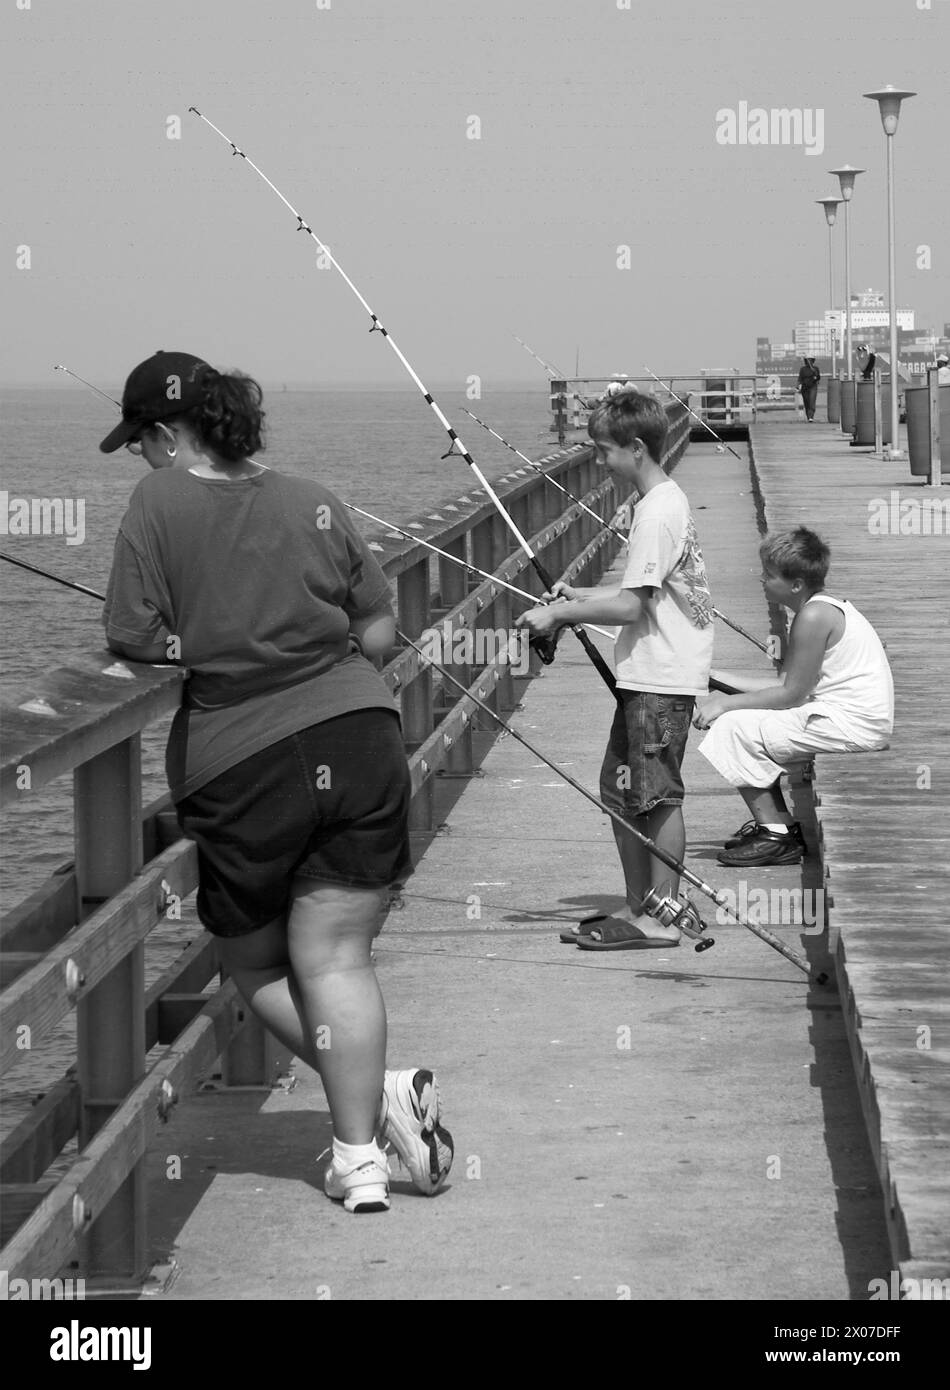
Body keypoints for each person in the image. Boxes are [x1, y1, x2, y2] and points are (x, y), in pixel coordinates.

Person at [100, 350, 453, 1214]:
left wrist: (201, 637)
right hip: (362, 739)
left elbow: (132, 634)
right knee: (337, 958)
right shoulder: (315, 498)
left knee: (255, 966)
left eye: (142, 443)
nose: (144, 461)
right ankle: (361, 1152)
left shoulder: (158, 499)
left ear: (164, 435)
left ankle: (375, 1120)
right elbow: (379, 628)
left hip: (243, 762)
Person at [516, 391, 714, 949]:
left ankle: (662, 920)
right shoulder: (663, 501)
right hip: (649, 674)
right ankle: (638, 906)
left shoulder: (656, 513)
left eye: (603, 451)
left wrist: (557, 613)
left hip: (662, 679)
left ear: (635, 447)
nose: (599, 461)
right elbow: (641, 592)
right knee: (620, 789)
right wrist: (582, 594)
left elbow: (632, 608)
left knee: (655, 796)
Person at [693, 527, 893, 868]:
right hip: (846, 716)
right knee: (742, 723)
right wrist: (711, 676)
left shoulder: (813, 617)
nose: (761, 580)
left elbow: (790, 695)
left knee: (732, 727)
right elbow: (786, 681)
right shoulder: (819, 608)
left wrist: (723, 703)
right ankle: (777, 825)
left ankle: (778, 836)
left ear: (796, 584)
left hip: (854, 724)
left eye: (769, 575)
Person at [796, 357, 821, 422]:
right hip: (804, 388)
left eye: (810, 360)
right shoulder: (802, 369)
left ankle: (811, 417)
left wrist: (813, 371)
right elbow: (800, 378)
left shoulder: (816, 368)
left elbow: (818, 377)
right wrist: (798, 385)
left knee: (812, 401)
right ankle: (808, 416)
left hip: (813, 386)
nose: (808, 361)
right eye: (807, 360)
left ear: (813, 361)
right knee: (807, 402)